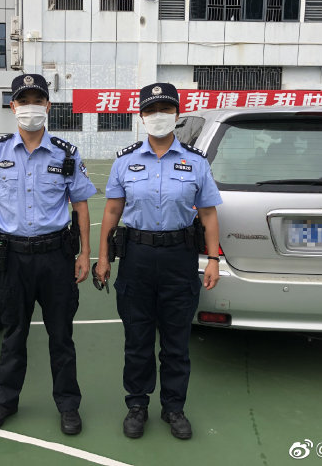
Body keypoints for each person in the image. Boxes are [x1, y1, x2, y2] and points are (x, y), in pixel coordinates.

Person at [0, 73, 96, 435]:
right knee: (13, 334)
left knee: (61, 336)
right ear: (13, 107)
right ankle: (5, 401)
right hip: (12, 258)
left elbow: (81, 205)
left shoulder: (67, 153)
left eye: (38, 101)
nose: (31, 108)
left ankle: (68, 405)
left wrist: (84, 253)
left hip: (56, 257)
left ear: (48, 106)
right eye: (24, 101)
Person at [94, 82, 222, 440]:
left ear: (176, 114)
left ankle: (173, 407)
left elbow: (208, 213)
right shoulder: (125, 161)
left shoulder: (196, 162)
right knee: (137, 339)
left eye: (165, 109)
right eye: (151, 110)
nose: (158, 116)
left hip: (180, 257)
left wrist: (213, 258)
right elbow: (112, 211)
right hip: (136, 256)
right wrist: (103, 257)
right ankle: (137, 405)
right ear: (141, 116)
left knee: (176, 340)